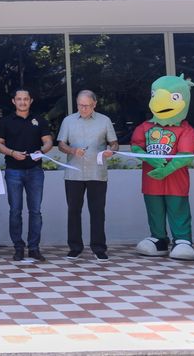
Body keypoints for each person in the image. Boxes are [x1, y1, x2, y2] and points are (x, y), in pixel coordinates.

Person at [57, 90, 118, 261]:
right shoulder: (68, 121)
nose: (83, 109)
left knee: (97, 211)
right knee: (73, 211)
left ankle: (99, 248)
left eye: (86, 106)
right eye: (80, 105)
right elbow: (61, 144)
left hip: (97, 173)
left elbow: (114, 143)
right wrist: (72, 150)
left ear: (94, 104)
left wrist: (110, 151)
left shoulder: (104, 120)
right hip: (73, 173)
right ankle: (75, 247)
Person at [0, 89, 53, 262]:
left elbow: (48, 141)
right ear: (13, 101)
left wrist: (41, 151)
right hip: (13, 170)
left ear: (31, 100)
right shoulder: (5, 121)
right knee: (15, 211)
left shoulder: (39, 120)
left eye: (25, 99)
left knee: (35, 211)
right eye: (19, 99)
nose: (22, 102)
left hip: (35, 170)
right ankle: (18, 248)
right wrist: (12, 153)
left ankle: (34, 248)